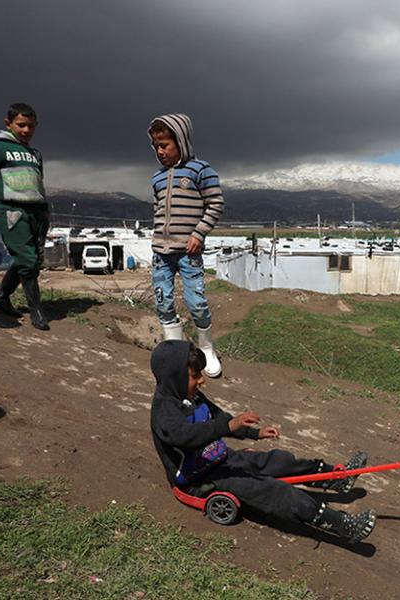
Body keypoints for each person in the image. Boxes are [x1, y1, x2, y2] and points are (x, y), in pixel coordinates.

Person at [150, 340, 376, 543]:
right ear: (175, 377)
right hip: (200, 479)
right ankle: (341, 524)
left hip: (219, 458)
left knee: (278, 461)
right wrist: (227, 427)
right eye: (194, 375)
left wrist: (253, 434)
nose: (201, 380)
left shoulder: (192, 396)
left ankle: (335, 479)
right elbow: (184, 436)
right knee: (274, 490)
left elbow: (219, 418)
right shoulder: (164, 412)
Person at [146, 114, 224, 377]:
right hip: (161, 251)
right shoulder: (157, 178)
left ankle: (206, 347)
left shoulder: (201, 170)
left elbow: (215, 204)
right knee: (163, 301)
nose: (160, 151)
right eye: (156, 145)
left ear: (181, 141)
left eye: (165, 145)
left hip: (188, 251)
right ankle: (177, 351)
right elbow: (158, 210)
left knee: (196, 301)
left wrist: (199, 233)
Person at [0, 102, 50, 330]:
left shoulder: (35, 154)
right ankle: (37, 311)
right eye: (21, 125)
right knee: (27, 261)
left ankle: (2, 298)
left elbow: (38, 184)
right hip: (12, 211)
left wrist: (45, 211)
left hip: (36, 212)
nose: (26, 130)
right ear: (9, 123)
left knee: (30, 258)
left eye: (31, 126)